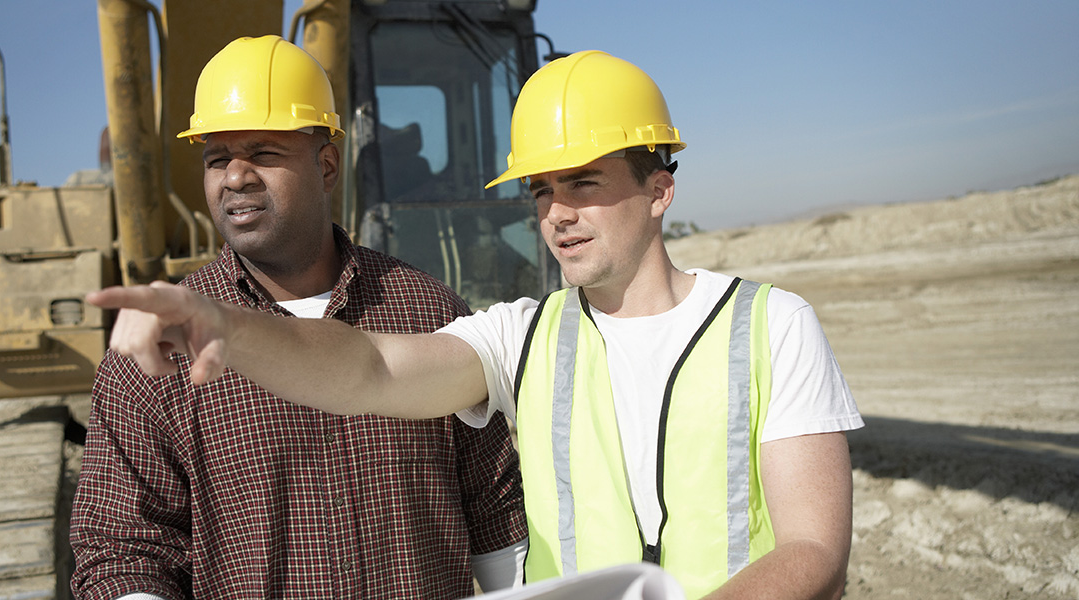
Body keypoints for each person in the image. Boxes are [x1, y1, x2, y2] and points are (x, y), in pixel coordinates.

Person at [89, 50, 864, 600]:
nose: (558, 213)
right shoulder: (519, 337)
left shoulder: (770, 327)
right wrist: (217, 321)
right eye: (542, 189)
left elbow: (813, 549)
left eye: (585, 182)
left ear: (659, 190)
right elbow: (365, 371)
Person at [69, 36, 528, 599]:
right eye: (217, 159)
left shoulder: (427, 313)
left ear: (327, 164)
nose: (235, 177)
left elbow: (494, 507)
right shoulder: (156, 352)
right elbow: (122, 550)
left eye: (263, 153)